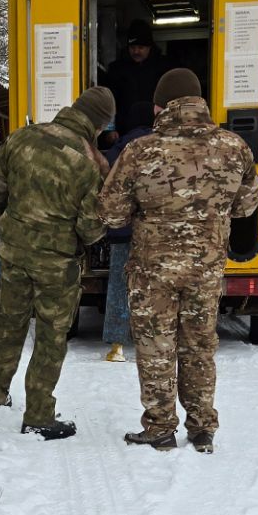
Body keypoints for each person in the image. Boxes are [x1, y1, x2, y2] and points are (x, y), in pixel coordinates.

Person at [98, 68, 258, 454]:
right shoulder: (234, 147)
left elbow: (111, 213)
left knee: (156, 346)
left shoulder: (139, 151)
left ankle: (159, 428)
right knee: (199, 345)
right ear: (199, 102)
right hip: (205, 269)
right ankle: (202, 428)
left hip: (153, 269)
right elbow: (245, 205)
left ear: (160, 106)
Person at [0, 85, 115, 440]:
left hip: (14, 251)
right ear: (99, 126)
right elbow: (88, 229)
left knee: (8, 322)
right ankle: (39, 414)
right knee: (50, 336)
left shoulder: (22, 137)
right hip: (56, 265)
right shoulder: (89, 163)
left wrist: (4, 230)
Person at [100, 100, 155, 362]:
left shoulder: (126, 144)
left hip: (125, 228)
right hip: (159, 231)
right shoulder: (168, 142)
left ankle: (117, 345)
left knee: (120, 282)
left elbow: (107, 169)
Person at [101, 21, 170, 117]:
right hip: (124, 129)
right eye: (132, 47)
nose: (136, 51)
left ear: (149, 47)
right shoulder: (116, 69)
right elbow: (108, 101)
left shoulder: (164, 68)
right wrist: (110, 129)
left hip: (156, 126)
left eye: (140, 47)